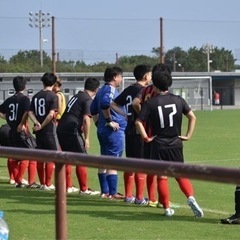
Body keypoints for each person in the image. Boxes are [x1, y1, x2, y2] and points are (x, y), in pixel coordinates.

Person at [135, 67, 204, 217]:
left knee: (162, 177)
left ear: (154, 85)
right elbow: (193, 117)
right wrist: (187, 135)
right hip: (175, 143)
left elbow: (138, 122)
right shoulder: (178, 100)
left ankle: (167, 208)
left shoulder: (150, 103)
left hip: (158, 143)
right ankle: (191, 197)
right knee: (180, 174)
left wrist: (146, 137)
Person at [111, 64, 151, 205]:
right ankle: (139, 198)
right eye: (150, 75)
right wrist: (142, 115)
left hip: (128, 130)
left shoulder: (128, 89)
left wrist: (125, 114)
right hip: (139, 129)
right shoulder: (144, 90)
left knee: (130, 163)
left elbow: (113, 104)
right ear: (146, 76)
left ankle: (128, 196)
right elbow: (136, 104)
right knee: (141, 164)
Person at [132, 63, 170, 207]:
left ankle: (152, 198)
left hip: (145, 131)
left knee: (150, 166)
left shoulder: (146, 89)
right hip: (159, 133)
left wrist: (143, 115)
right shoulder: (161, 91)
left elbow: (135, 103)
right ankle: (162, 200)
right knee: (162, 169)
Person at [57, 77, 101, 195]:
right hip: (72, 130)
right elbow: (87, 119)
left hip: (61, 128)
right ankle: (84, 189)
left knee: (67, 157)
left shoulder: (77, 95)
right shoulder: (87, 99)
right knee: (82, 159)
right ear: (96, 90)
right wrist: (86, 138)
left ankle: (68, 186)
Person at [90, 66, 127, 199]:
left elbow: (92, 109)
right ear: (115, 77)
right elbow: (105, 104)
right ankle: (112, 192)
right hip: (113, 132)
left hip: (102, 130)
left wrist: (97, 123)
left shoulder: (100, 91)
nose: (121, 79)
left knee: (104, 160)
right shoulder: (110, 90)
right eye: (120, 76)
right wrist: (109, 120)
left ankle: (104, 191)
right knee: (113, 161)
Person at [0, 76, 38, 188]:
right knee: (30, 154)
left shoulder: (9, 100)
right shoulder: (25, 99)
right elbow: (27, 111)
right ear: (25, 87)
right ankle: (23, 181)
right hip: (21, 131)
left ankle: (17, 180)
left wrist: (7, 118)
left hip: (11, 130)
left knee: (13, 157)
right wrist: (21, 124)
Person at [28, 72, 59, 190]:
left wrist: (36, 123)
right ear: (54, 83)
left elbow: (30, 112)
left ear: (43, 82)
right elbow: (51, 115)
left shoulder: (36, 96)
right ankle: (48, 183)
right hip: (49, 131)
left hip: (39, 131)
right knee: (51, 157)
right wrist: (42, 125)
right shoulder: (53, 96)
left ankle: (42, 183)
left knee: (41, 157)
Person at [52, 78, 77, 193]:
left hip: (57, 124)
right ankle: (68, 184)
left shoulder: (57, 95)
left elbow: (56, 111)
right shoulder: (61, 95)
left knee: (61, 155)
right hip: (62, 124)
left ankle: (67, 185)